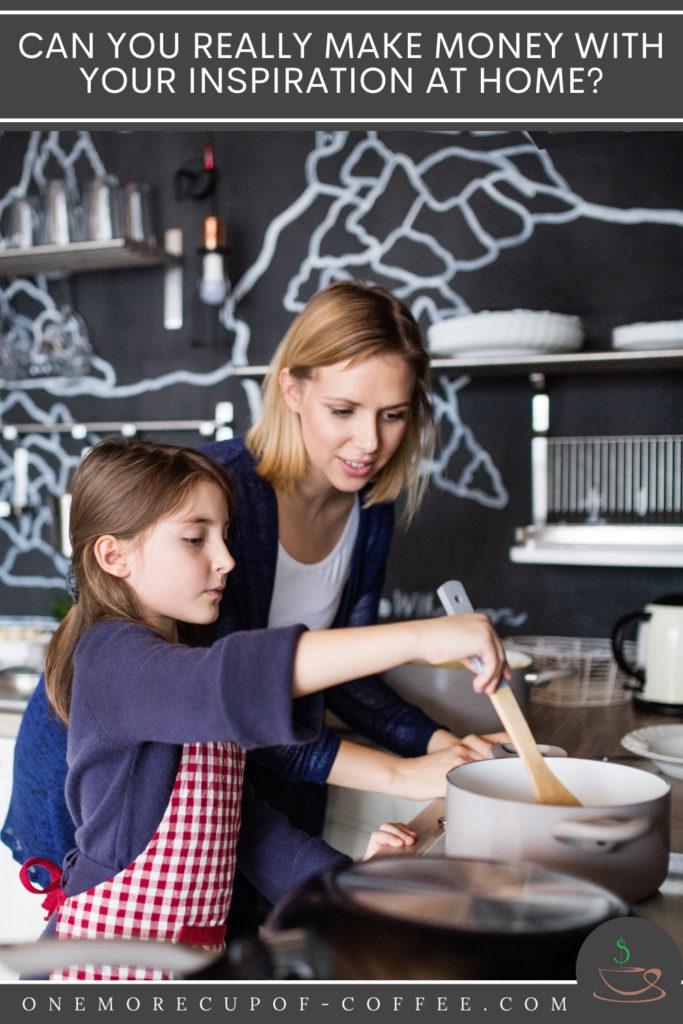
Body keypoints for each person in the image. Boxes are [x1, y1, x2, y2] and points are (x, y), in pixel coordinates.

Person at [2, 280, 508, 926]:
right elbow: (233, 686)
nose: (370, 443)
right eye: (344, 410)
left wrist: (444, 751)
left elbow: (271, 748)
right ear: (292, 390)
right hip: (109, 824)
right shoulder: (217, 502)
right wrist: (406, 740)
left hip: (210, 832)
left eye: (393, 414)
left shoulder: (365, 510)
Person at [28, 438, 507, 981]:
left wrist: (346, 886)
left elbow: (245, 828)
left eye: (225, 534)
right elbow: (223, 684)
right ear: (114, 556)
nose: (227, 559)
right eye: (194, 538)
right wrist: (419, 638)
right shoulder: (112, 659)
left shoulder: (184, 657)